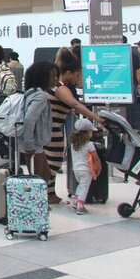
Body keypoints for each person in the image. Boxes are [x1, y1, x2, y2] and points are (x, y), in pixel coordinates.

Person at [44, 56, 102, 204]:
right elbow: (74, 105)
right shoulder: (61, 87)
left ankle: (49, 193)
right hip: (52, 130)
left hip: (50, 129)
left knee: (52, 162)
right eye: (77, 75)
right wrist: (96, 117)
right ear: (68, 72)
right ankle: (47, 194)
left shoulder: (56, 86)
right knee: (53, 163)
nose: (79, 78)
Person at [70, 118, 99, 215]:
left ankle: (75, 200)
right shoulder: (90, 144)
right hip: (86, 170)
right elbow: (95, 158)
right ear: (87, 133)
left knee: (81, 186)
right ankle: (80, 206)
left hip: (76, 170)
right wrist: (99, 167)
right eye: (91, 131)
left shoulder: (73, 144)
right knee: (84, 187)